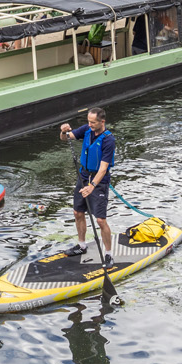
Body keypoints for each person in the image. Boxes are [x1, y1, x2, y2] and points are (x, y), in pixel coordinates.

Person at [59, 108, 115, 256]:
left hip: (99, 181)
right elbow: (66, 138)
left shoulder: (109, 140)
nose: (89, 124)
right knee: (78, 212)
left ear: (102, 122)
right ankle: (81, 246)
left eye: (93, 122)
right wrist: (63, 131)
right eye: (88, 121)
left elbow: (103, 169)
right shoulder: (86, 129)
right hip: (83, 176)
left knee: (100, 221)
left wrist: (92, 187)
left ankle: (108, 254)